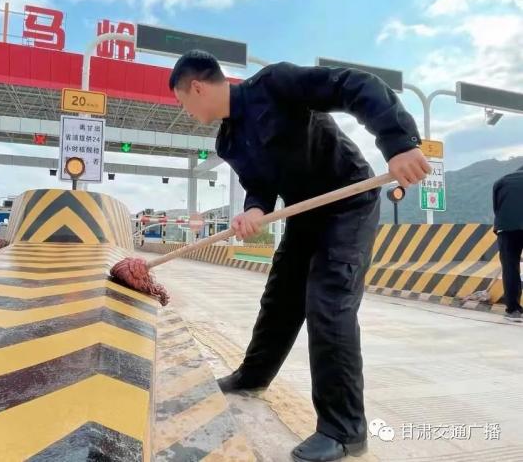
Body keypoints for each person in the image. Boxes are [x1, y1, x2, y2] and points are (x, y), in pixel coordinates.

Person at [168, 50, 430, 462]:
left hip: (347, 203)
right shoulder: (227, 140)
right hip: (304, 212)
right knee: (280, 298)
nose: (186, 112)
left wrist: (398, 143)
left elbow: (355, 85)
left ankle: (344, 430)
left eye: (182, 102)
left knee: (328, 303)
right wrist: (254, 209)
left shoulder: (275, 84)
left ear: (197, 88)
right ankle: (253, 376)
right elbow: (258, 185)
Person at [492, 165, 523, 321]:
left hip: (506, 229)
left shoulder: (501, 181)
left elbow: (496, 208)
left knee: (510, 268)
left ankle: (513, 311)